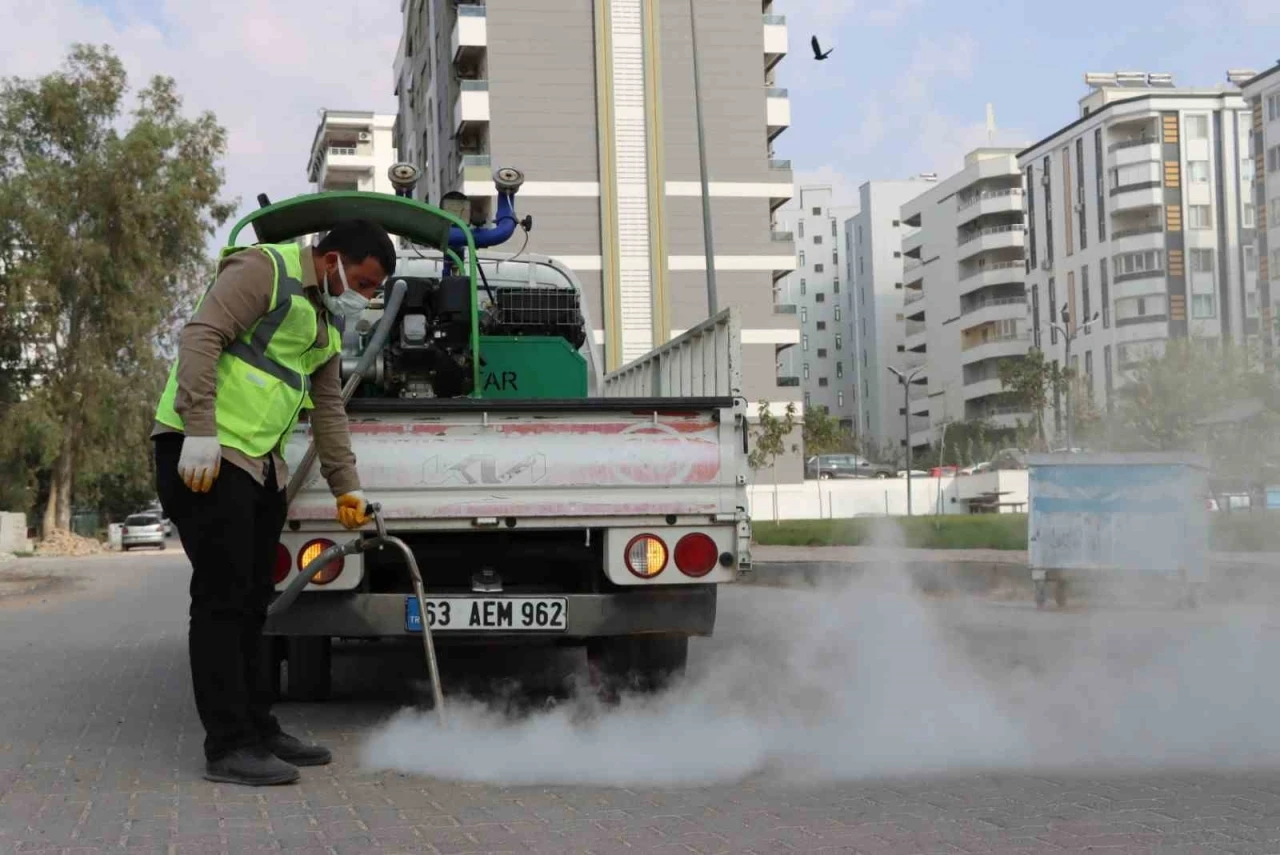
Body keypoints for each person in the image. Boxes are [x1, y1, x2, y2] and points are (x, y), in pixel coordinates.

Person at [152, 220, 395, 785]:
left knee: (254, 602)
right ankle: (228, 746)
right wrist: (200, 429)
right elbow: (201, 336)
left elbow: (328, 407)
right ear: (331, 260)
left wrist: (347, 487)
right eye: (361, 283)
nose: (364, 297)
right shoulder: (265, 268)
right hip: (204, 455)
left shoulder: (325, 324)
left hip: (259, 467)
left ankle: (258, 729)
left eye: (374, 290)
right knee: (222, 600)